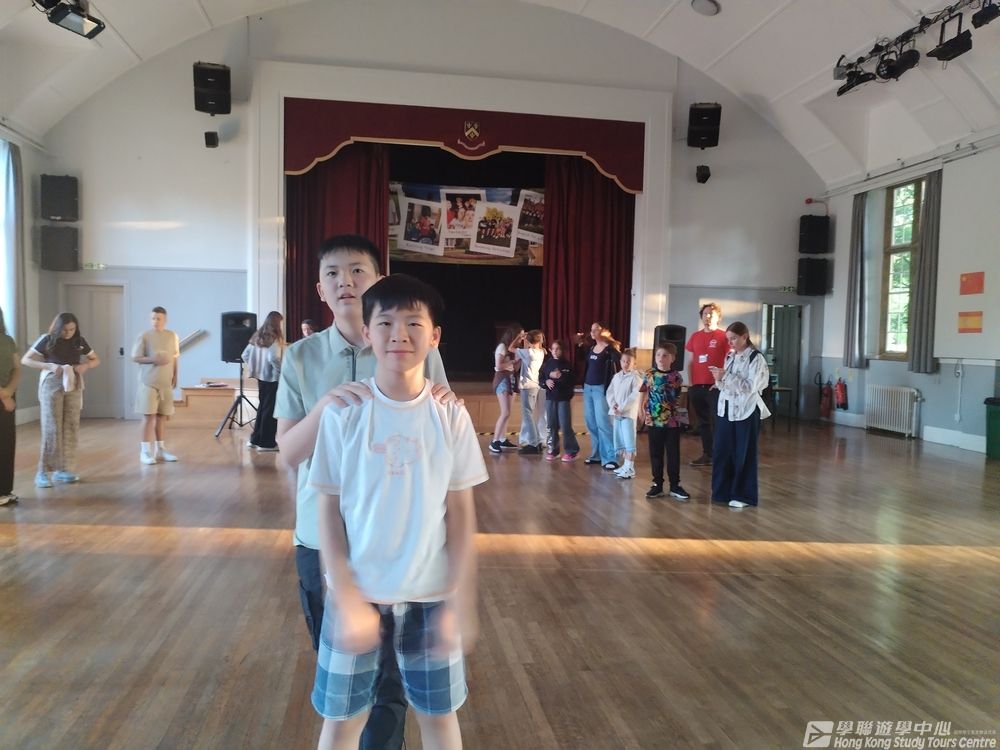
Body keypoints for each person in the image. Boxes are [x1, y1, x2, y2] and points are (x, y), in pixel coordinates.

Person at [275, 234, 454, 750]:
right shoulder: (301, 357)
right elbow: (288, 452)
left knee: (393, 682)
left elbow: (440, 441)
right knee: (346, 687)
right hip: (321, 538)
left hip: (399, 539)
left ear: (379, 281)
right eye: (332, 273)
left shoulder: (413, 349)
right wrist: (326, 406)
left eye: (357, 270)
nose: (345, 282)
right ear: (319, 289)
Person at [308, 273, 487, 750]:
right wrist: (346, 596)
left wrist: (461, 599)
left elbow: (462, 515)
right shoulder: (343, 413)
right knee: (341, 723)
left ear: (435, 336)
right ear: (367, 333)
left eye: (413, 323)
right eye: (385, 323)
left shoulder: (450, 415)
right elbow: (327, 512)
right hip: (357, 592)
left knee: (439, 718)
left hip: (432, 595)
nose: (399, 335)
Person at [21, 312, 101, 487]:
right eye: (65, 330)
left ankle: (64, 469)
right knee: (52, 426)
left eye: (71, 329)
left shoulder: (79, 341)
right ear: (58, 328)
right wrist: (48, 366)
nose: (68, 333)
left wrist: (86, 365)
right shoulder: (47, 339)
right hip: (52, 382)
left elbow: (96, 359)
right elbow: (26, 360)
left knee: (71, 426)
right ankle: (42, 472)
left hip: (73, 383)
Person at [709, 321, 771, 508]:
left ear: (745, 337)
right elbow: (726, 384)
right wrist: (718, 380)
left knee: (743, 453)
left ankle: (743, 495)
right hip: (726, 409)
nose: (730, 343)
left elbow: (751, 386)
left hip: (746, 410)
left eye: (734, 339)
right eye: (728, 339)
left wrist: (725, 377)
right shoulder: (730, 356)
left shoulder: (756, 358)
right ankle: (722, 491)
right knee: (722, 451)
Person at [640, 343, 690, 501]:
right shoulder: (649, 374)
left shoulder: (676, 376)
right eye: (658, 355)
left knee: (673, 453)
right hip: (654, 420)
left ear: (673, 358)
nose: (661, 358)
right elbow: (644, 392)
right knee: (656, 452)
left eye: (665, 355)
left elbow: (676, 397)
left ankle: (675, 485)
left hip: (672, 421)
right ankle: (657, 484)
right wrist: (641, 410)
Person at [132, 306, 180, 465]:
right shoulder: (145, 336)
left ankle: (160, 449)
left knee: (162, 416)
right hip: (148, 382)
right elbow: (136, 357)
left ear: (165, 320)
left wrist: (175, 376)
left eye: (158, 318)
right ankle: (145, 451)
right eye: (153, 318)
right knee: (149, 416)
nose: (155, 321)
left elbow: (175, 357)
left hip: (165, 383)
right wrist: (154, 359)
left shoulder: (172, 336)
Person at [685, 303, 728, 467]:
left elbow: (729, 362)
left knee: (718, 421)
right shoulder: (695, 336)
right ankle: (707, 454)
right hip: (697, 386)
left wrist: (721, 382)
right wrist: (691, 384)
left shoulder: (724, 336)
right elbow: (691, 362)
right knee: (703, 423)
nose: (707, 317)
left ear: (718, 317)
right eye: (705, 314)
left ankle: (720, 455)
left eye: (711, 314)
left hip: (715, 387)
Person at [242, 311, 285, 451]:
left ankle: (255, 439)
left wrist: (254, 367)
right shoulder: (274, 338)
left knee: (262, 408)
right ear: (277, 323)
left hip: (260, 377)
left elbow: (244, 355)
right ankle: (266, 443)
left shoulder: (257, 337)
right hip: (272, 378)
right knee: (270, 410)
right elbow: (274, 358)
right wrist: (282, 370)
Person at [580, 322, 621, 470]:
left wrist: (609, 344)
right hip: (588, 388)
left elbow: (619, 360)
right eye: (591, 329)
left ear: (604, 331)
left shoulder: (610, 349)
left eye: (595, 329)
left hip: (601, 389)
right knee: (591, 423)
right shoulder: (591, 348)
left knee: (603, 423)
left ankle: (611, 458)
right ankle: (596, 455)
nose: (592, 332)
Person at [606, 348, 642, 479]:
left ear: (634, 363)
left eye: (628, 362)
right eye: (623, 361)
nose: (625, 364)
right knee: (620, 439)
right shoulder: (616, 377)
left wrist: (622, 408)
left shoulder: (636, 378)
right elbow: (610, 392)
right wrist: (614, 405)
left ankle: (630, 468)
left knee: (629, 441)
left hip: (627, 415)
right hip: (617, 414)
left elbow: (634, 396)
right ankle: (625, 466)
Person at [540, 339, 578, 461]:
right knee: (552, 425)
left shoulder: (567, 365)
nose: (555, 351)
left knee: (565, 425)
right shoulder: (547, 364)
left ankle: (571, 450)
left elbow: (572, 381)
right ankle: (553, 450)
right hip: (550, 398)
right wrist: (546, 381)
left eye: (558, 349)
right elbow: (541, 378)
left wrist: (561, 376)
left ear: (562, 350)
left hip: (563, 399)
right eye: (553, 349)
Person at [511, 328, 547, 455]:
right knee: (530, 415)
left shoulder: (529, 353)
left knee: (527, 415)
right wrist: (526, 340)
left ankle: (533, 443)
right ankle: (537, 440)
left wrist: (519, 337)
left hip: (527, 386)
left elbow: (511, 348)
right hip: (535, 385)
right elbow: (529, 349)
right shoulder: (541, 352)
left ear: (529, 340)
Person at [488, 324, 521, 454]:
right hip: (502, 379)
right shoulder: (502, 347)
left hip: (511, 378)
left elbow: (515, 368)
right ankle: (494, 441)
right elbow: (498, 366)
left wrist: (519, 360)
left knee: (508, 412)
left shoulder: (514, 349)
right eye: (519, 336)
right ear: (513, 336)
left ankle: (502, 439)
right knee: (505, 412)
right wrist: (511, 362)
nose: (521, 339)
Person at [0, 307, 21, 506]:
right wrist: (3, 394)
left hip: (8, 394)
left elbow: (17, 368)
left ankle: (5, 490)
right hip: (4, 395)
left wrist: (9, 391)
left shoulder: (7, 340)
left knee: (6, 443)